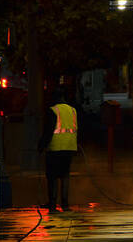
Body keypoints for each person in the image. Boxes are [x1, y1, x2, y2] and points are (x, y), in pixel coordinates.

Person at [38, 85, 78, 213]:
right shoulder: (73, 110)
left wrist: (41, 146)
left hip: (55, 148)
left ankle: (52, 205)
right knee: (65, 176)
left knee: (52, 176)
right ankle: (65, 205)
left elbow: (48, 131)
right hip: (70, 147)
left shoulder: (53, 110)